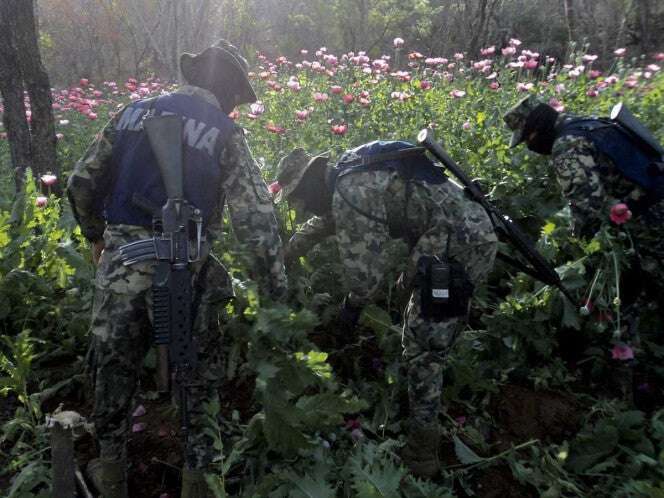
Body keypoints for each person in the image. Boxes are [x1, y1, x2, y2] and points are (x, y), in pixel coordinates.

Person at [67, 40, 287, 498]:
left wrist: (96, 237)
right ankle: (198, 482)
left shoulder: (130, 114)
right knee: (198, 381)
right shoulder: (225, 132)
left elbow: (81, 181)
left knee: (112, 369)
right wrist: (273, 288)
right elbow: (258, 219)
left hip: (122, 267)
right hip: (187, 270)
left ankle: (111, 474)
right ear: (230, 96)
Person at [273, 142, 497, 478]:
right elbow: (319, 226)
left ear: (312, 183)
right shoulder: (349, 173)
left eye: (300, 197)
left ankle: (422, 455)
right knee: (421, 332)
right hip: (451, 234)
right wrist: (280, 259)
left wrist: (350, 308)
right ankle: (420, 398)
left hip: (461, 246)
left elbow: (365, 278)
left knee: (424, 347)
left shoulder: (351, 192)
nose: (305, 208)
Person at [503, 96, 664, 306]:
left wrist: (572, 249)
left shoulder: (566, 146)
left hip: (649, 217)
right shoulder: (589, 123)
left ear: (537, 127)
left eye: (527, 138)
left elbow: (588, 208)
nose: (529, 145)